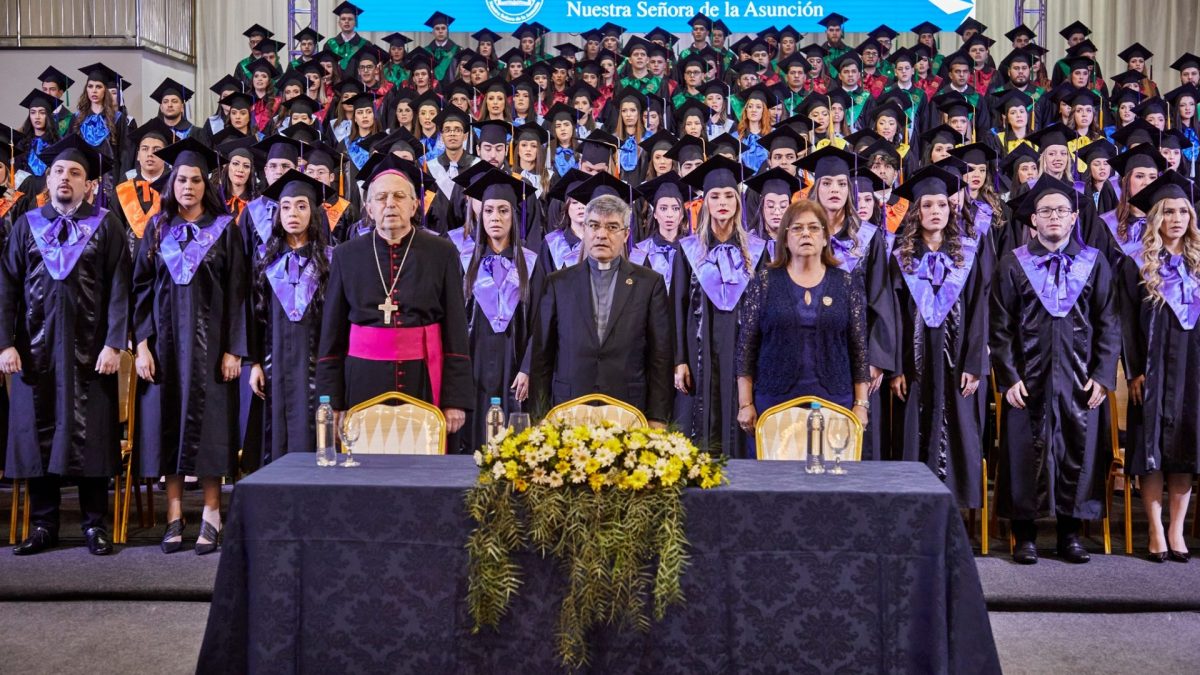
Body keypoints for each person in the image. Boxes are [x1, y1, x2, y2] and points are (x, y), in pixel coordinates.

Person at [1, 135, 131, 556]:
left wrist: (114, 343)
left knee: (90, 434)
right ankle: (43, 525)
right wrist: (5, 343)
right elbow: (6, 288)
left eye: (75, 173)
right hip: (35, 351)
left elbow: (119, 288)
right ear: (48, 178)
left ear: (88, 184)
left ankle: (95, 525)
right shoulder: (27, 225)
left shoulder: (106, 224)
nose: (66, 178)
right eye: (59, 171)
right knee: (40, 435)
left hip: (90, 353)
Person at [990, 174, 1121, 565]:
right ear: (1033, 219)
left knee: (1076, 452)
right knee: (1024, 452)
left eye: (1061, 211)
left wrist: (1102, 375)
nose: (1053, 217)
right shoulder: (1013, 263)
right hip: (1028, 379)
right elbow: (1000, 326)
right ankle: (1025, 535)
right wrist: (1008, 377)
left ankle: (1069, 534)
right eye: (1045, 211)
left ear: (1073, 217)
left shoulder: (1093, 263)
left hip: (1080, 378)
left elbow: (1108, 322)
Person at [133, 138, 249, 555]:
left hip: (211, 349)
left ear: (207, 184)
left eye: (196, 180)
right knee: (170, 430)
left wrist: (234, 349)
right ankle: (174, 516)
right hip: (164, 349)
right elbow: (140, 290)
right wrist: (142, 346)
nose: (188, 186)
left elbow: (238, 292)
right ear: (171, 182)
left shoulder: (224, 231)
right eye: (181, 179)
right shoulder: (156, 229)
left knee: (212, 430)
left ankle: (212, 514)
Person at [316, 164, 473, 436]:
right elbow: (332, 334)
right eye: (381, 197)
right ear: (369, 207)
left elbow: (456, 330)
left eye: (399, 197)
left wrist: (455, 399)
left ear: (414, 206)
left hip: (423, 376)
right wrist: (332, 400)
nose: (390, 204)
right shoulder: (346, 255)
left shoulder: (442, 252)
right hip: (362, 379)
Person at [888, 167, 989, 509]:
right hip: (915, 363)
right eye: (927, 205)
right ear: (917, 211)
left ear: (951, 210)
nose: (935, 211)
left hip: (959, 359)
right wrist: (897, 367)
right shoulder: (901, 256)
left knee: (958, 426)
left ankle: (956, 513)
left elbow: (980, 309)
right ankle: (916, 507)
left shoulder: (970, 254)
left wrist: (975, 363)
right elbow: (895, 316)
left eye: (942, 205)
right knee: (915, 424)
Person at [529, 193, 673, 426]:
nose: (601, 234)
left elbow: (660, 358)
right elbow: (542, 357)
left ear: (626, 234)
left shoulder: (649, 284)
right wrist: (538, 415)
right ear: (584, 230)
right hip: (568, 410)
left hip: (628, 411)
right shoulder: (558, 283)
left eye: (612, 226)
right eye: (594, 225)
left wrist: (657, 418)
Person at [736, 199, 870, 448]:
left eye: (814, 228)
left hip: (834, 401)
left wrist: (861, 404)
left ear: (825, 238)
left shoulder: (845, 283)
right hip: (775, 402)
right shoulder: (764, 282)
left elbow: (859, 349)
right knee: (778, 483)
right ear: (785, 238)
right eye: (797, 228)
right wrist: (746, 403)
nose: (806, 233)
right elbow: (746, 348)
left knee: (831, 482)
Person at [1118, 171, 1199, 562]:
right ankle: (1154, 529)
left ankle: (1177, 530)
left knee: (1185, 449)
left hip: (1192, 369)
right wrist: (1133, 369)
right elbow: (1126, 323)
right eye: (1169, 211)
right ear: (1156, 218)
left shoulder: (1199, 265)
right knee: (1150, 449)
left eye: (1184, 211)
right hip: (1150, 369)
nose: (1177, 218)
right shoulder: (1136, 262)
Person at [674, 156, 769, 457]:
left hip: (743, 350)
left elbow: (763, 309)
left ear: (738, 201)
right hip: (699, 349)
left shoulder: (757, 251)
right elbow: (677, 307)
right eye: (715, 196)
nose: (722, 202)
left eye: (729, 195)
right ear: (705, 202)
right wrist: (679, 360)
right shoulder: (688, 250)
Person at [248, 170, 333, 464]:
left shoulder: (330, 261)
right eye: (285, 206)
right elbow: (255, 313)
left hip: (316, 365)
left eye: (301, 205)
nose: (292, 213)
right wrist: (256, 362)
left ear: (313, 212)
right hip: (275, 365)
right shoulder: (264, 260)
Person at [458, 169, 542, 451]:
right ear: (480, 216)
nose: (495, 217)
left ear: (514, 217)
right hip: (474, 366)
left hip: (514, 366)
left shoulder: (531, 264)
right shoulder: (464, 262)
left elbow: (540, 322)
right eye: (489, 210)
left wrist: (528, 368)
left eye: (504, 210)